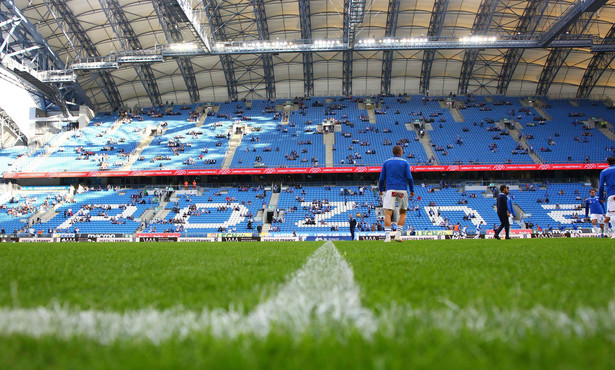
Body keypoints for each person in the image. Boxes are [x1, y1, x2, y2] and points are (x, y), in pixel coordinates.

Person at [379, 145, 414, 242]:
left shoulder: (386, 162)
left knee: (388, 213)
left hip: (390, 190)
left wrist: (380, 189)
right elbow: (410, 178)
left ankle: (387, 237)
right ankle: (398, 235)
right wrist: (412, 190)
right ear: (400, 152)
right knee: (403, 213)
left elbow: (382, 178)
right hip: (402, 190)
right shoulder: (405, 162)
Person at [599, 156, 615, 238]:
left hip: (612, 194)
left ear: (607, 162)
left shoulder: (604, 172)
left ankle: (614, 234)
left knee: (612, 214)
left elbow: (601, 186)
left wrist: (601, 197)